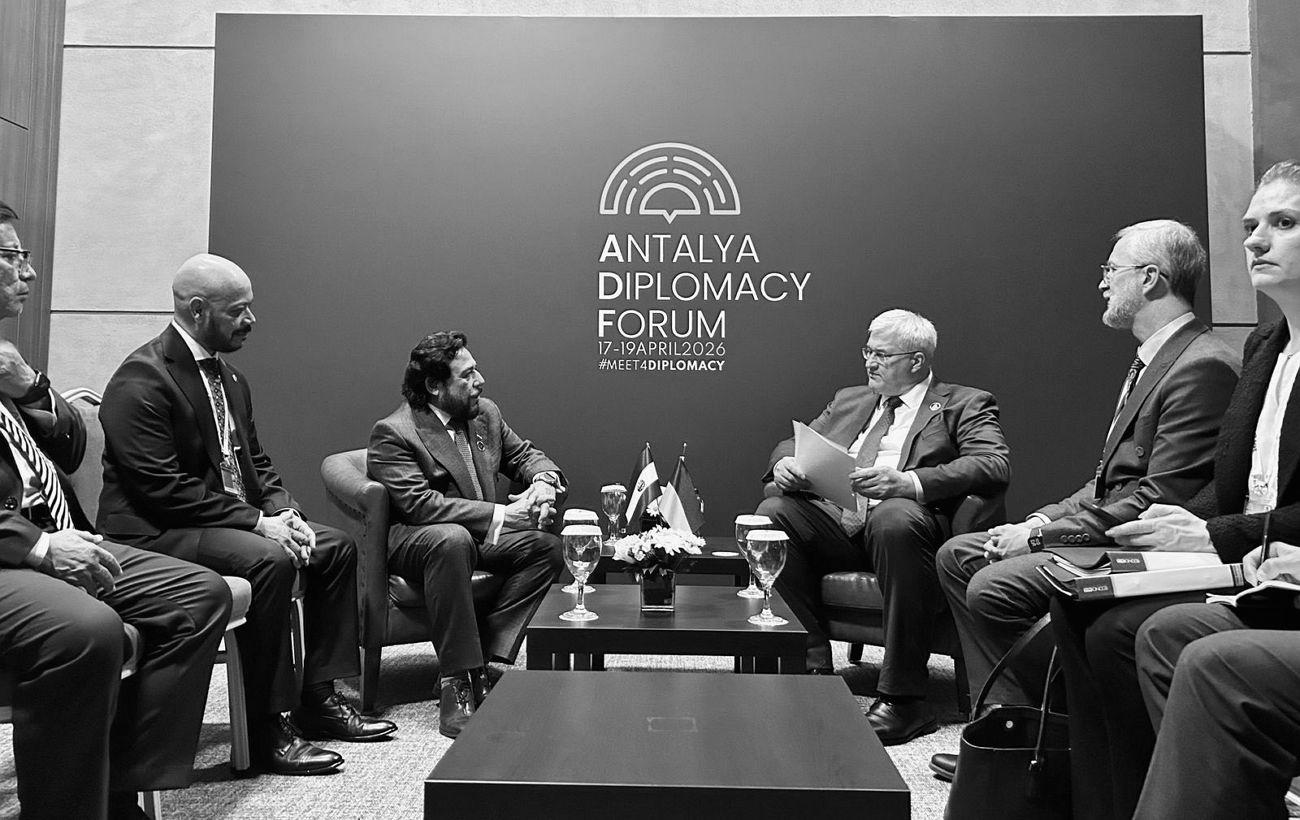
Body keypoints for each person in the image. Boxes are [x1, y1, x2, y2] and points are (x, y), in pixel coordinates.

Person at [929, 220, 1239, 778]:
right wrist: (1040, 519)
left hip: (1150, 549)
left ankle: (1068, 736)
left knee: (992, 585)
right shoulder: (1155, 358)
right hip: (1111, 530)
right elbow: (1104, 483)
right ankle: (1011, 725)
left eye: (1110, 270)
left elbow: (1157, 500)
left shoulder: (1202, 365)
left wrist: (1039, 538)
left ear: (1150, 278)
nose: (1101, 282)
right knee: (959, 555)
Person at [1049, 160, 1300, 820]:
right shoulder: (1265, 346)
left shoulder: (1206, 359)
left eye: (1284, 222)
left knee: (1159, 635)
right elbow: (1233, 487)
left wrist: (1212, 534)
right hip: (1247, 559)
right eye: (1250, 225)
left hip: (1269, 565)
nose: (1255, 240)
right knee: (1086, 608)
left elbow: (1231, 509)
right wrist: (1181, 531)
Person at [98, 253, 395, 777]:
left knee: (332, 548)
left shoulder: (230, 379)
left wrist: (285, 512)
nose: (251, 320)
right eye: (237, 310)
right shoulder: (140, 379)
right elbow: (162, 489)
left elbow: (255, 462)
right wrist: (259, 524)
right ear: (197, 310)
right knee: (267, 561)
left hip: (223, 522)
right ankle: (266, 727)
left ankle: (317, 698)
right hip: (157, 531)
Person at [0, 202, 232, 819]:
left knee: (202, 595)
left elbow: (73, 444)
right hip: (13, 551)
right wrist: (41, 548)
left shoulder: (4, 356)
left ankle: (121, 788)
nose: (29, 273)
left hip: (59, 533)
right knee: (88, 630)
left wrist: (30, 386)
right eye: (13, 257)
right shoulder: (147, 372)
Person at [757, 308, 1010, 745]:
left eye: (882, 355)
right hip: (842, 521)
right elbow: (794, 442)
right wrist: (785, 463)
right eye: (867, 352)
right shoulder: (850, 399)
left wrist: (909, 483)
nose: (870, 363)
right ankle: (809, 667)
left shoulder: (964, 403)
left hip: (909, 533)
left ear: (917, 360)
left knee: (893, 515)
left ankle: (904, 698)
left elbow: (993, 463)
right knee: (773, 513)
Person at [368, 331, 565, 738]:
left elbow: (524, 455)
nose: (480, 381)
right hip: (419, 539)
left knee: (546, 548)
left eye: (477, 370)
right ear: (434, 386)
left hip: (473, 534)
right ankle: (455, 682)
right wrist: (503, 514)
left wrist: (543, 481)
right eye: (467, 375)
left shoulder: (484, 414)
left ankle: (482, 665)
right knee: (452, 539)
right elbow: (421, 506)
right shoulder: (394, 432)